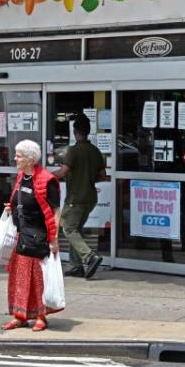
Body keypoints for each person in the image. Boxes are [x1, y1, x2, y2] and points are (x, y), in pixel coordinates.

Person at [2, 139, 62, 332]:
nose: (15, 159)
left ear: (29, 159)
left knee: (38, 279)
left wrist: (53, 239)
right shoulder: (21, 177)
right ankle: (20, 316)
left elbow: (55, 211)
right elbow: (20, 201)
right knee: (19, 278)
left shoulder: (47, 180)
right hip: (22, 235)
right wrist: (11, 208)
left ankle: (41, 316)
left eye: (18, 156)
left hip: (38, 236)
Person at [54, 115, 108, 279]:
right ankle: (76, 266)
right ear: (88, 132)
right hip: (90, 198)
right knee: (76, 229)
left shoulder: (74, 150)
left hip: (75, 198)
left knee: (68, 228)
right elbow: (103, 176)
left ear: (75, 131)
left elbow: (63, 172)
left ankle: (89, 256)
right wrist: (87, 176)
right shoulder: (95, 151)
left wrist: (46, 176)